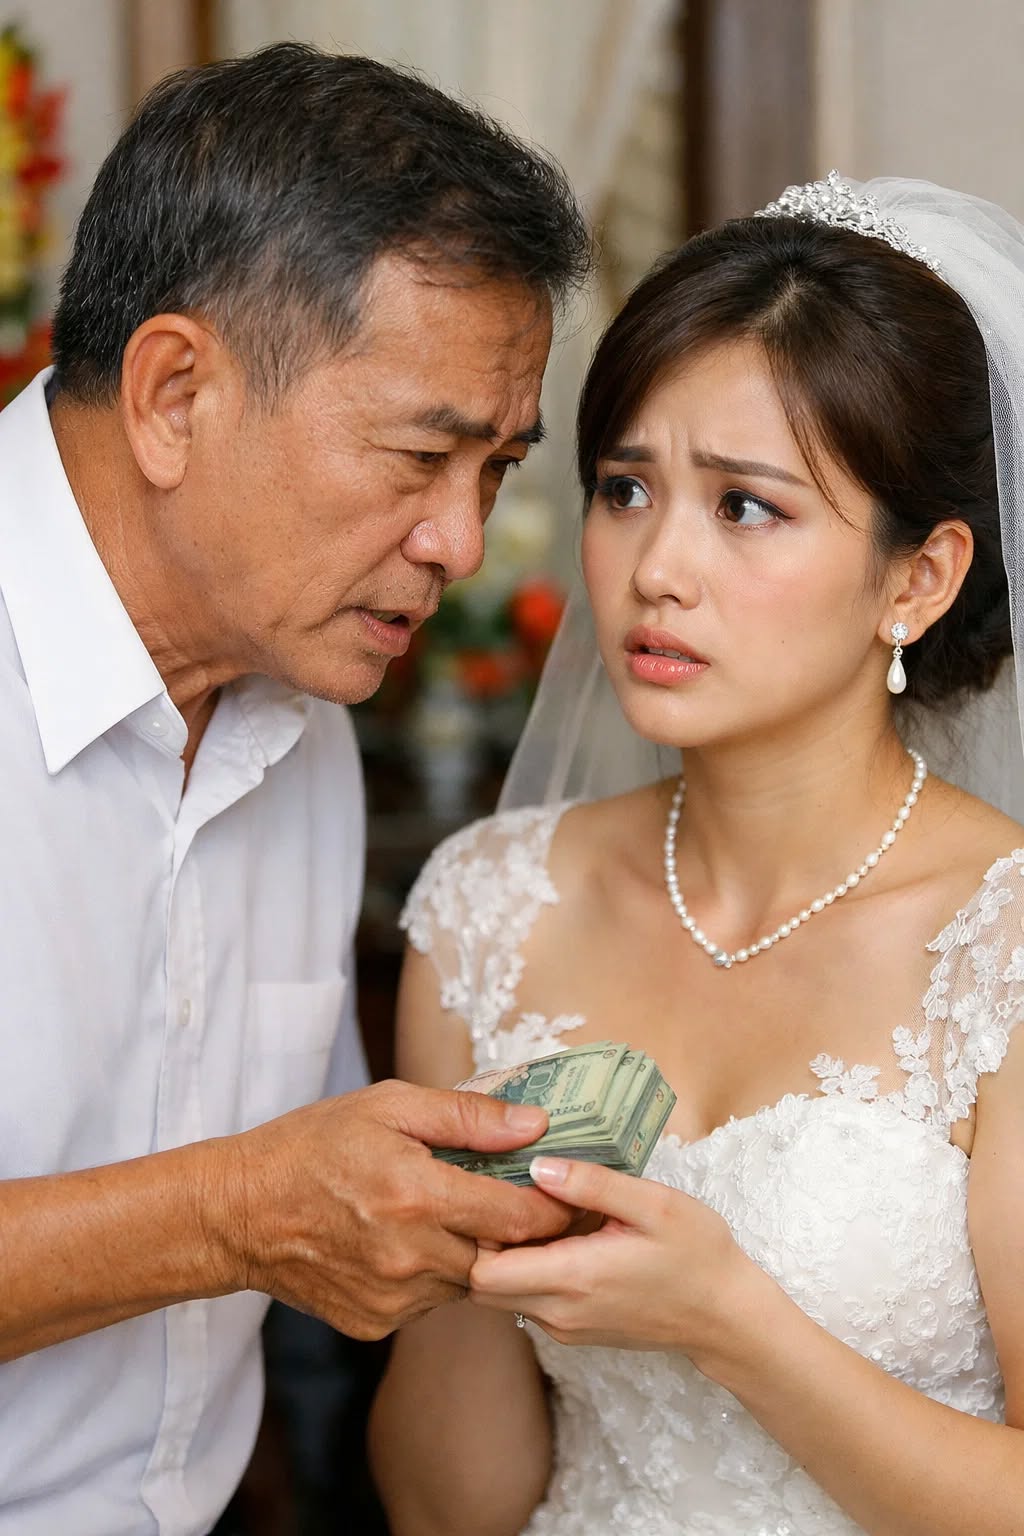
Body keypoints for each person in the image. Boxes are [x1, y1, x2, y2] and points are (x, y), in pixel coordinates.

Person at [369, 173, 1024, 1535]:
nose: (656, 567)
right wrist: (460, 1263)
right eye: (625, 489)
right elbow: (455, 1505)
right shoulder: (493, 905)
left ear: (919, 578)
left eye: (746, 507)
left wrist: (730, 1320)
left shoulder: (1004, 946)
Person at [0, 41, 592, 1536]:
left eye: (496, 470)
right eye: (420, 455)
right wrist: (233, 1214)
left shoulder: (300, 714)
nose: (462, 542)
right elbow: (253, 1205)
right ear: (175, 393)